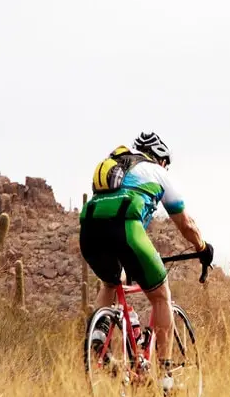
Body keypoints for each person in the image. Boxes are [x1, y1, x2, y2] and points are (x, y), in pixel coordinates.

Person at [80, 131, 213, 372]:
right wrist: (202, 248)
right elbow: (185, 224)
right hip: (126, 231)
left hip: (89, 231)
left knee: (112, 281)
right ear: (161, 159)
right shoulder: (158, 172)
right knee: (161, 295)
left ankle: (99, 334)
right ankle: (165, 372)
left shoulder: (118, 167)